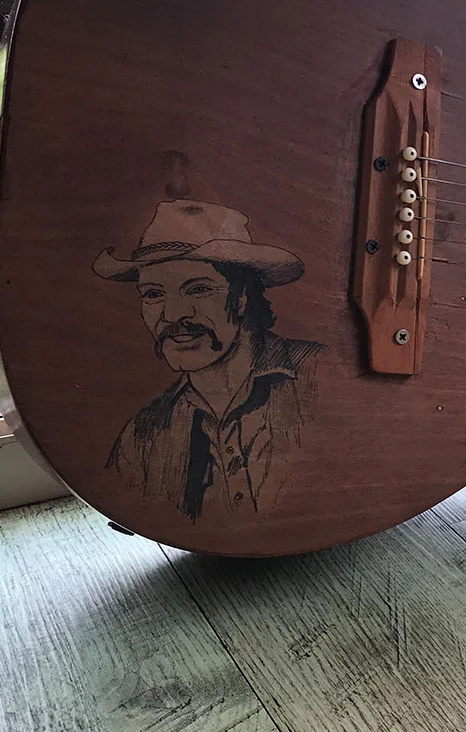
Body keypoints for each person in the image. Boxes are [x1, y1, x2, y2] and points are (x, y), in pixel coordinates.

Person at [93, 199, 321, 519]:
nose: (174, 314)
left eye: (198, 289)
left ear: (241, 298)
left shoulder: (323, 377)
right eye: (154, 294)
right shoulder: (143, 436)